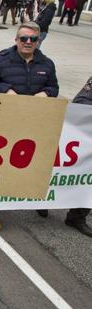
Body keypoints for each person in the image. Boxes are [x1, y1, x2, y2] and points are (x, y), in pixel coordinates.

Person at [0, 22, 58, 232]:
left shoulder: (47, 64)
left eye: (33, 39)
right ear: (16, 40)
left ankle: (38, 201)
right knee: (1, 168)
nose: (28, 42)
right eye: (24, 38)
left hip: (35, 123)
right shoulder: (1, 60)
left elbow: (54, 86)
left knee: (36, 165)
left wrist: (47, 93)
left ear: (38, 41)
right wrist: (6, 90)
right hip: (6, 123)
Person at [62, 76, 92, 237]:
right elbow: (82, 102)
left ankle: (77, 217)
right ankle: (41, 201)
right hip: (84, 134)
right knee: (66, 172)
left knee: (89, 180)